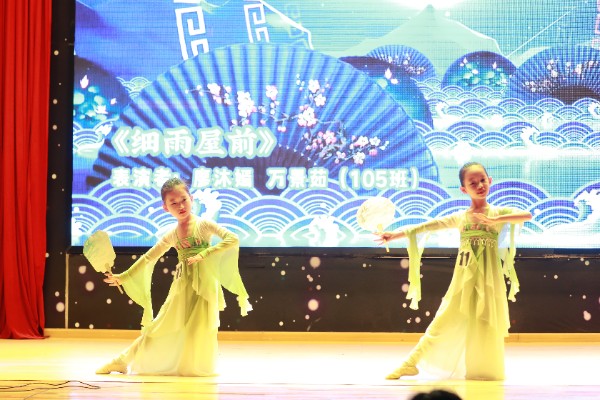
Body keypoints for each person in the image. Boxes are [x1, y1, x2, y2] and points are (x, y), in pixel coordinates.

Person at [376, 162, 531, 381]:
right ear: (463, 189)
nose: (480, 186)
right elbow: (427, 225)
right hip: (463, 280)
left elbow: (527, 215)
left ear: (490, 181)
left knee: (486, 323)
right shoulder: (461, 217)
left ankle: (484, 371)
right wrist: (394, 235)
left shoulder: (498, 213)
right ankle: (410, 363)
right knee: (442, 321)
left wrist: (495, 220)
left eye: (482, 180)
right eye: (473, 183)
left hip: (489, 280)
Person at [95, 177, 252, 376]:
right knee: (159, 327)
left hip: (205, 285)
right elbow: (148, 257)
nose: (181, 206)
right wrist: (123, 277)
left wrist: (204, 254)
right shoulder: (172, 234)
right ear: (165, 207)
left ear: (191, 199)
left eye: (183, 200)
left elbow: (232, 238)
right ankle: (121, 360)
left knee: (200, 329)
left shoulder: (204, 224)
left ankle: (190, 368)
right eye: (174, 203)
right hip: (182, 285)